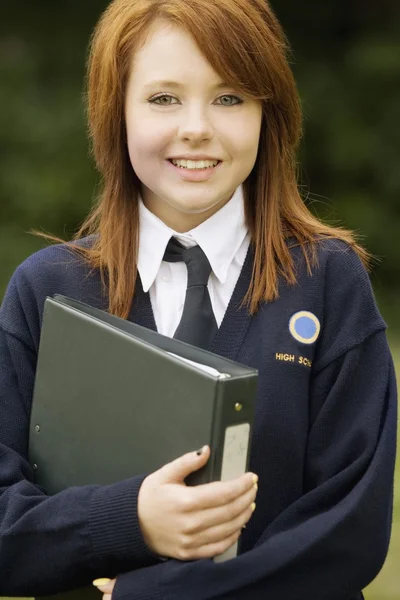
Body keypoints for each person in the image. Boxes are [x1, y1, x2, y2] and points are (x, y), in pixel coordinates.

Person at [0, 0, 397, 599]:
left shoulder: (328, 282)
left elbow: (348, 531)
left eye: (230, 97)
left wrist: (159, 595)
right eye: (163, 98)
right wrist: (127, 519)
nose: (197, 127)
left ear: (270, 113)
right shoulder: (44, 291)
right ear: (117, 113)